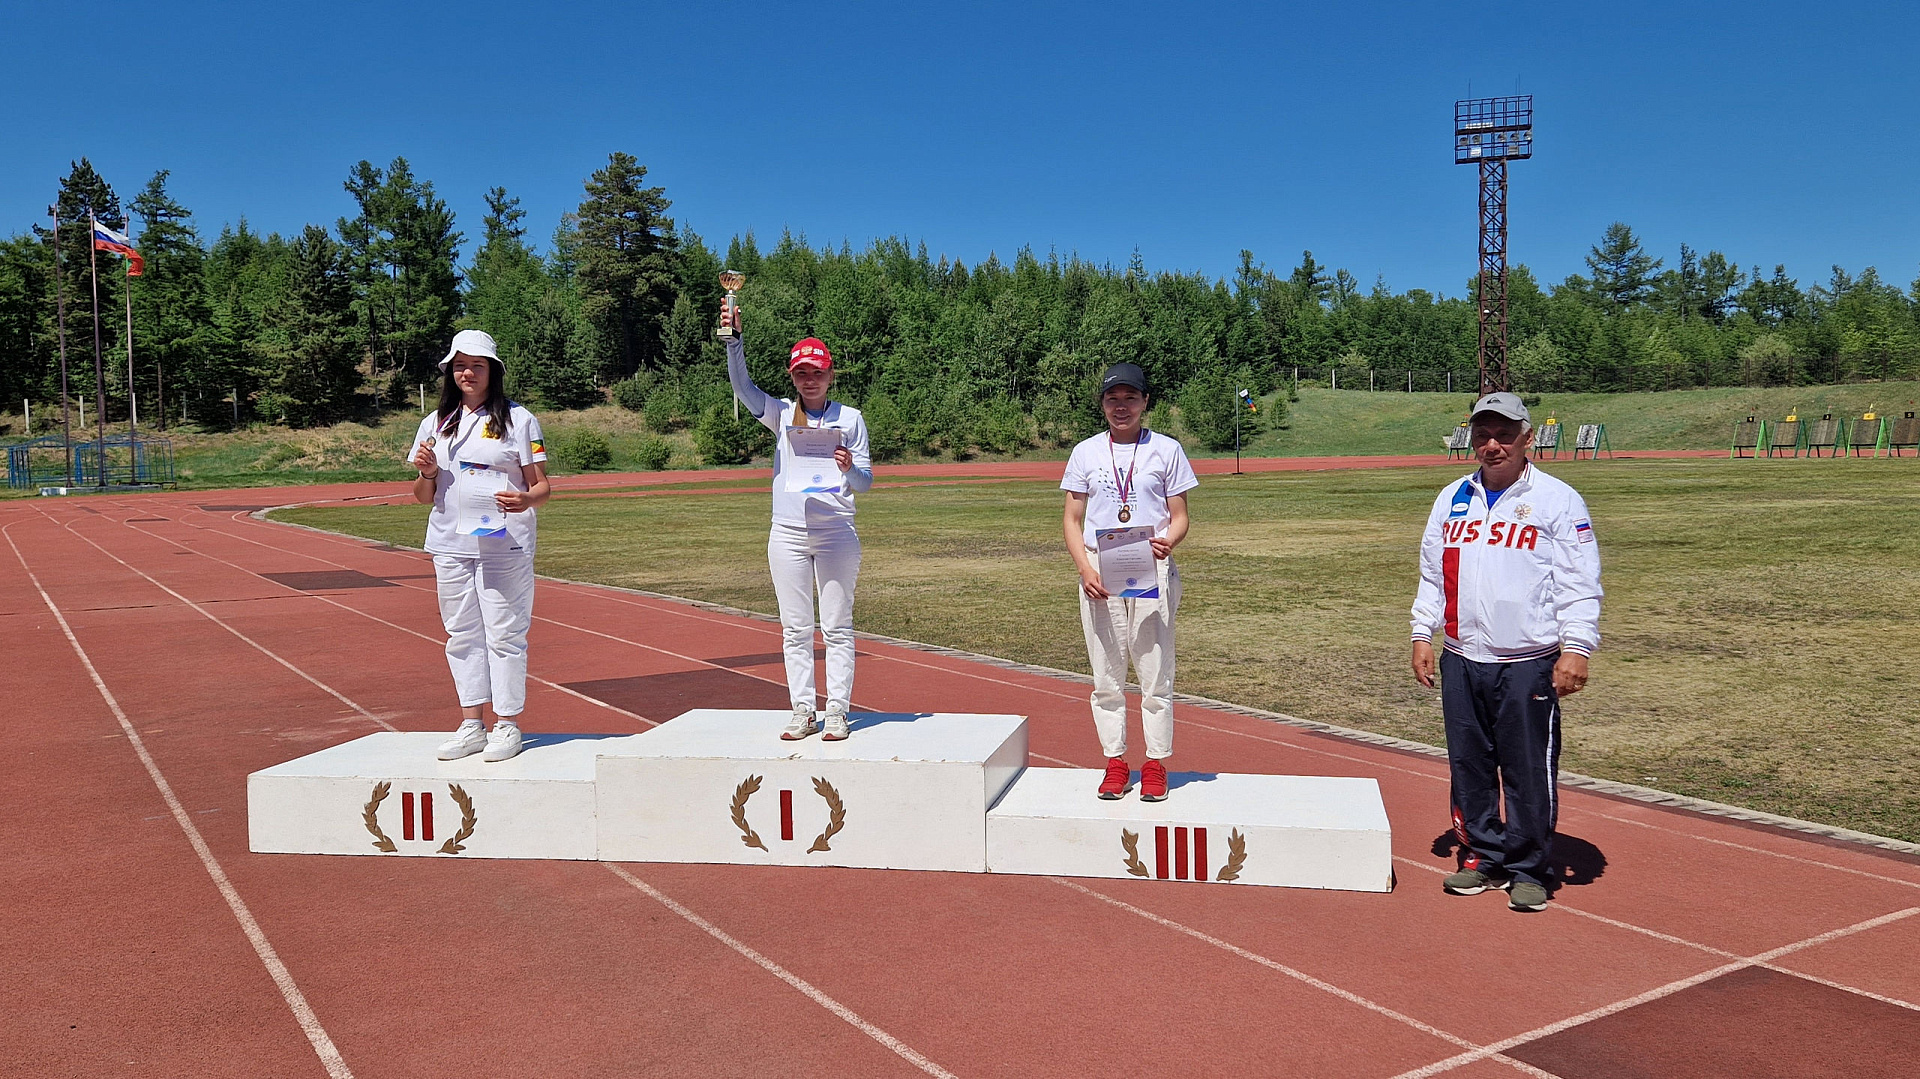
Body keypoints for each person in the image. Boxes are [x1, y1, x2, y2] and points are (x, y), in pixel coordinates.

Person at [1409, 391, 1602, 913]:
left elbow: (1580, 583)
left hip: (1528, 661)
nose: (1493, 445)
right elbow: (1432, 576)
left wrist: (1577, 647)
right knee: (1469, 765)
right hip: (1462, 657)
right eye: (1483, 434)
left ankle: (1529, 866)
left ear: (1526, 437)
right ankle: (1482, 855)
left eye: (1504, 434)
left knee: (1526, 770)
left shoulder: (1558, 499)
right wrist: (1422, 634)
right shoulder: (1452, 498)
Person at [721, 303, 873, 741]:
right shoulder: (782, 413)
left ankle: (839, 710)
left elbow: (865, 485)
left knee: (838, 626)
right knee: (795, 628)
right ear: (792, 376)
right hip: (786, 534)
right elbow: (743, 388)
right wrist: (735, 344)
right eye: (802, 372)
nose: (810, 379)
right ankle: (804, 710)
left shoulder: (851, 419)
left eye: (818, 372)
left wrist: (849, 468)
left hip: (836, 534)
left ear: (831, 375)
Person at [407, 329, 551, 763]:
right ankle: (472, 722)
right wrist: (428, 472)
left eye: (477, 365)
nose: (468, 372)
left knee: (505, 634)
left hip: (502, 543)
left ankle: (507, 723)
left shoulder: (520, 419)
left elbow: (541, 486)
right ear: (450, 372)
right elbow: (420, 495)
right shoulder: (434, 424)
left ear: (493, 371)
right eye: (460, 365)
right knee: (461, 634)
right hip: (451, 543)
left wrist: (525, 500)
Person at [1062, 363, 1197, 802]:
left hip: (1148, 563)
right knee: (1106, 673)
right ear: (1102, 404)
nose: (1121, 407)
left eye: (1130, 398)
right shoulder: (1085, 452)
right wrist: (1084, 568)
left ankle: (1155, 762)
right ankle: (1116, 761)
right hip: (1101, 566)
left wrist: (1168, 542)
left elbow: (1180, 517)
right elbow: (1072, 518)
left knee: (1155, 669)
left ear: (1145, 402)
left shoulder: (1166, 449)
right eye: (1112, 399)